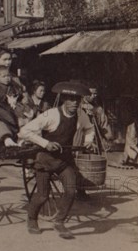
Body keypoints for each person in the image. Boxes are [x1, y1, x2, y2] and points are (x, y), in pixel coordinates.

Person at [19, 81, 96, 239]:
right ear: (64, 100)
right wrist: (45, 143)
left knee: (70, 190)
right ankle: (32, 219)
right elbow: (24, 131)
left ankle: (59, 222)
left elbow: (89, 128)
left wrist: (88, 141)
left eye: (77, 100)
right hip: (45, 160)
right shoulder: (51, 115)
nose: (74, 103)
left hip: (64, 161)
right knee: (42, 196)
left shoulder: (81, 114)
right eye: (71, 99)